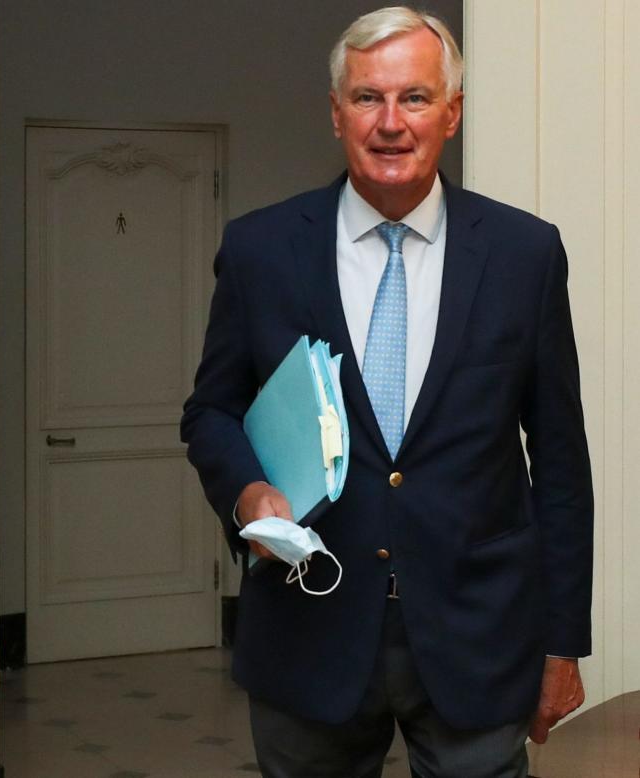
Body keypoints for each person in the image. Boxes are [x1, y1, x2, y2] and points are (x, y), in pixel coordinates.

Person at [182, 7, 591, 776]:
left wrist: (565, 639)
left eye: (415, 97)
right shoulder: (261, 249)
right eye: (369, 98)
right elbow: (210, 410)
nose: (392, 122)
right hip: (309, 627)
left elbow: (561, 462)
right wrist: (247, 495)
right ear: (336, 115)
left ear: (453, 113)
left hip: (478, 634)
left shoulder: (524, 254)